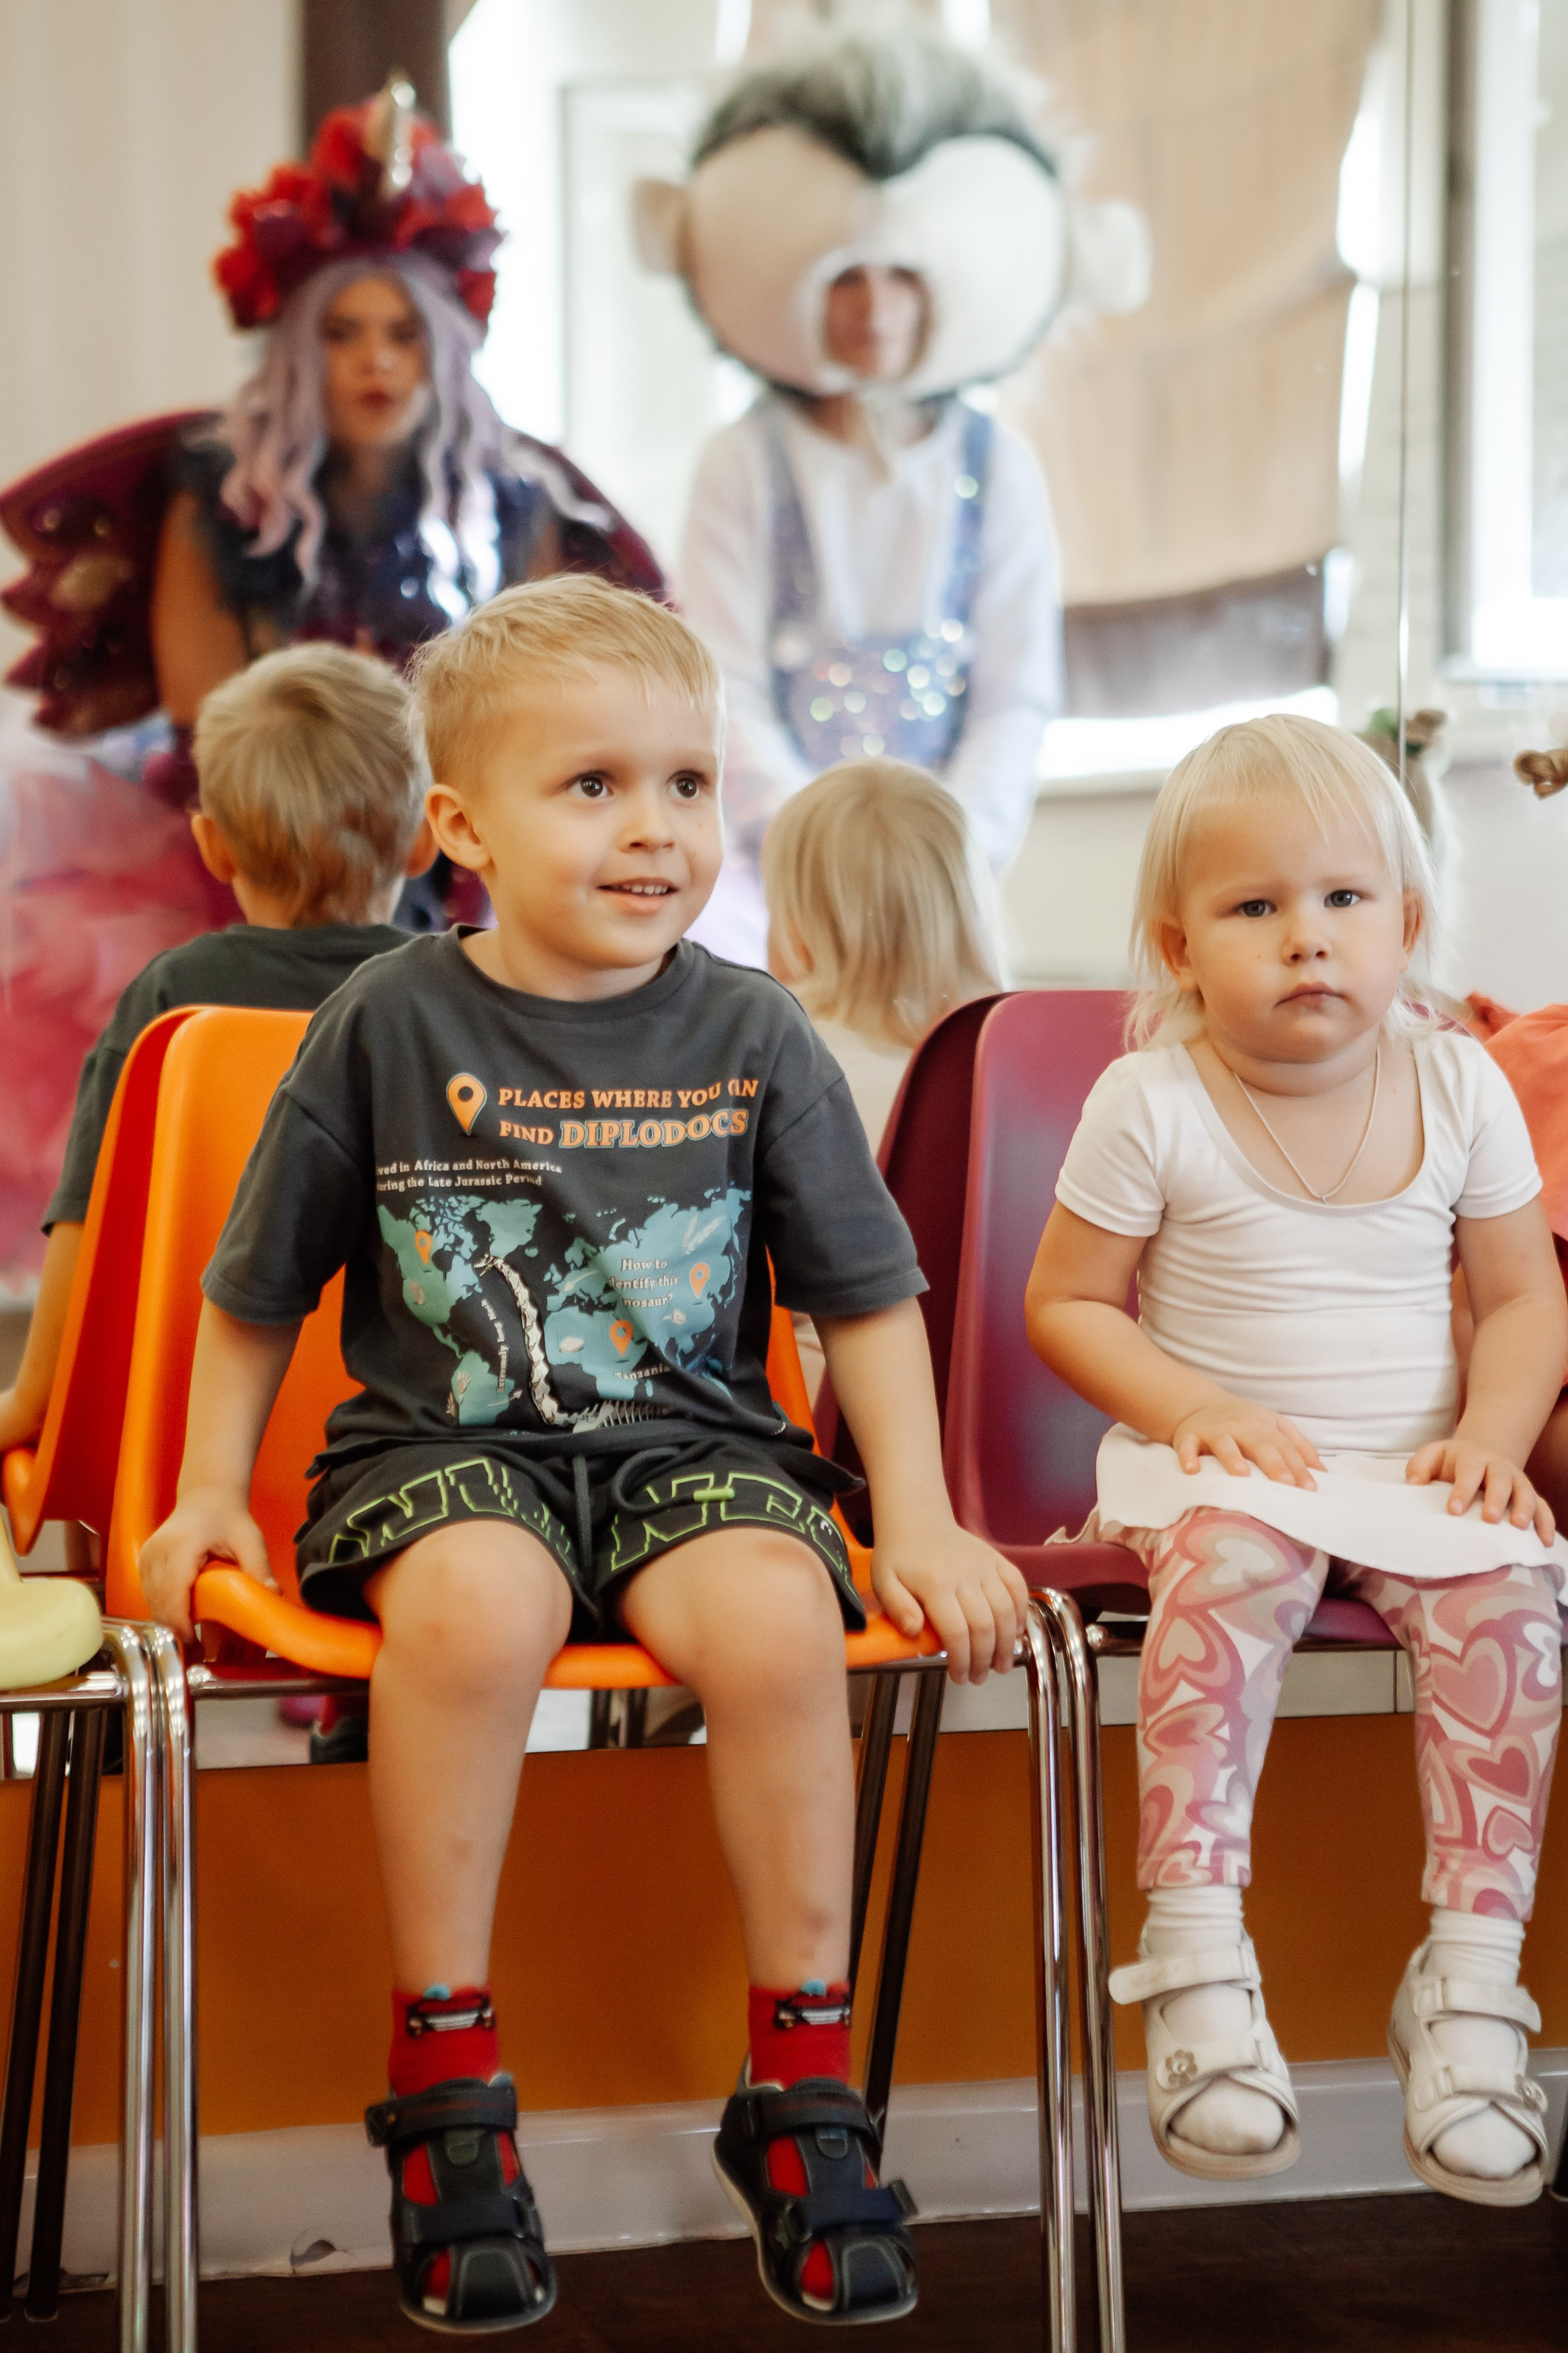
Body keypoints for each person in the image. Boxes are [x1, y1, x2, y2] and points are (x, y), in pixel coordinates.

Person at [138, 574, 1029, 2332]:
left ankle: (802, 2090)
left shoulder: (755, 1030)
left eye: (687, 784)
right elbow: (251, 1290)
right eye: (595, 785)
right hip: (440, 1455)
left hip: (691, 1457)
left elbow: (867, 1300)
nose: (656, 829)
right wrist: (202, 1492)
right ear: (457, 824)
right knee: (474, 1608)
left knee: (781, 1619)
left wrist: (913, 1515)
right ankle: (447, 2084)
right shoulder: (388, 1019)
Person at [1026, 713, 1567, 2207]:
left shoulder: (1456, 1086)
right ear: (1177, 945)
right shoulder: (1151, 1099)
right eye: (1252, 908)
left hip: (1410, 1476)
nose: (1303, 939)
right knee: (1229, 1578)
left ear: (1404, 924)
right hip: (1223, 1480)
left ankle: (1464, 1987)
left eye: (1340, 902)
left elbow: (1525, 1298)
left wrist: (1487, 1440)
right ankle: (1196, 1958)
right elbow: (1063, 1301)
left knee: (1514, 1620)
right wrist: (1191, 1404)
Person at [0, 78, 664, 1289]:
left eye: (402, 333)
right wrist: (318, 805)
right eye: (345, 333)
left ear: (446, 344)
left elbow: (539, 691)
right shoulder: (215, 491)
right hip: (263, 802)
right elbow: (210, 715)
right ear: (299, 344)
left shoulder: (514, 501)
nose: (374, 361)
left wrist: (454, 830)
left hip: (457, 825)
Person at [633, 32, 1149, 962]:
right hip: (770, 891)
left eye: (900, 277)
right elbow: (723, 688)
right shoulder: (740, 463)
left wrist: (951, 851)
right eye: (846, 279)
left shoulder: (1001, 470)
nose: (874, 309)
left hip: (947, 888)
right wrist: (812, 854)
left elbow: (1014, 696)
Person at [0, 643, 431, 1456]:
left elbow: (87, 1214)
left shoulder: (175, 1000)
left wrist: (34, 1396)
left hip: (190, 1425)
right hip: (420, 1422)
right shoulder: (457, 995)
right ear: (423, 843)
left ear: (213, 844)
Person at [764, 754, 1000, 1396]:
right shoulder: (1003, 1070)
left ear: (796, 930)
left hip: (832, 1413)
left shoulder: (777, 1066)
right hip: (995, 1404)